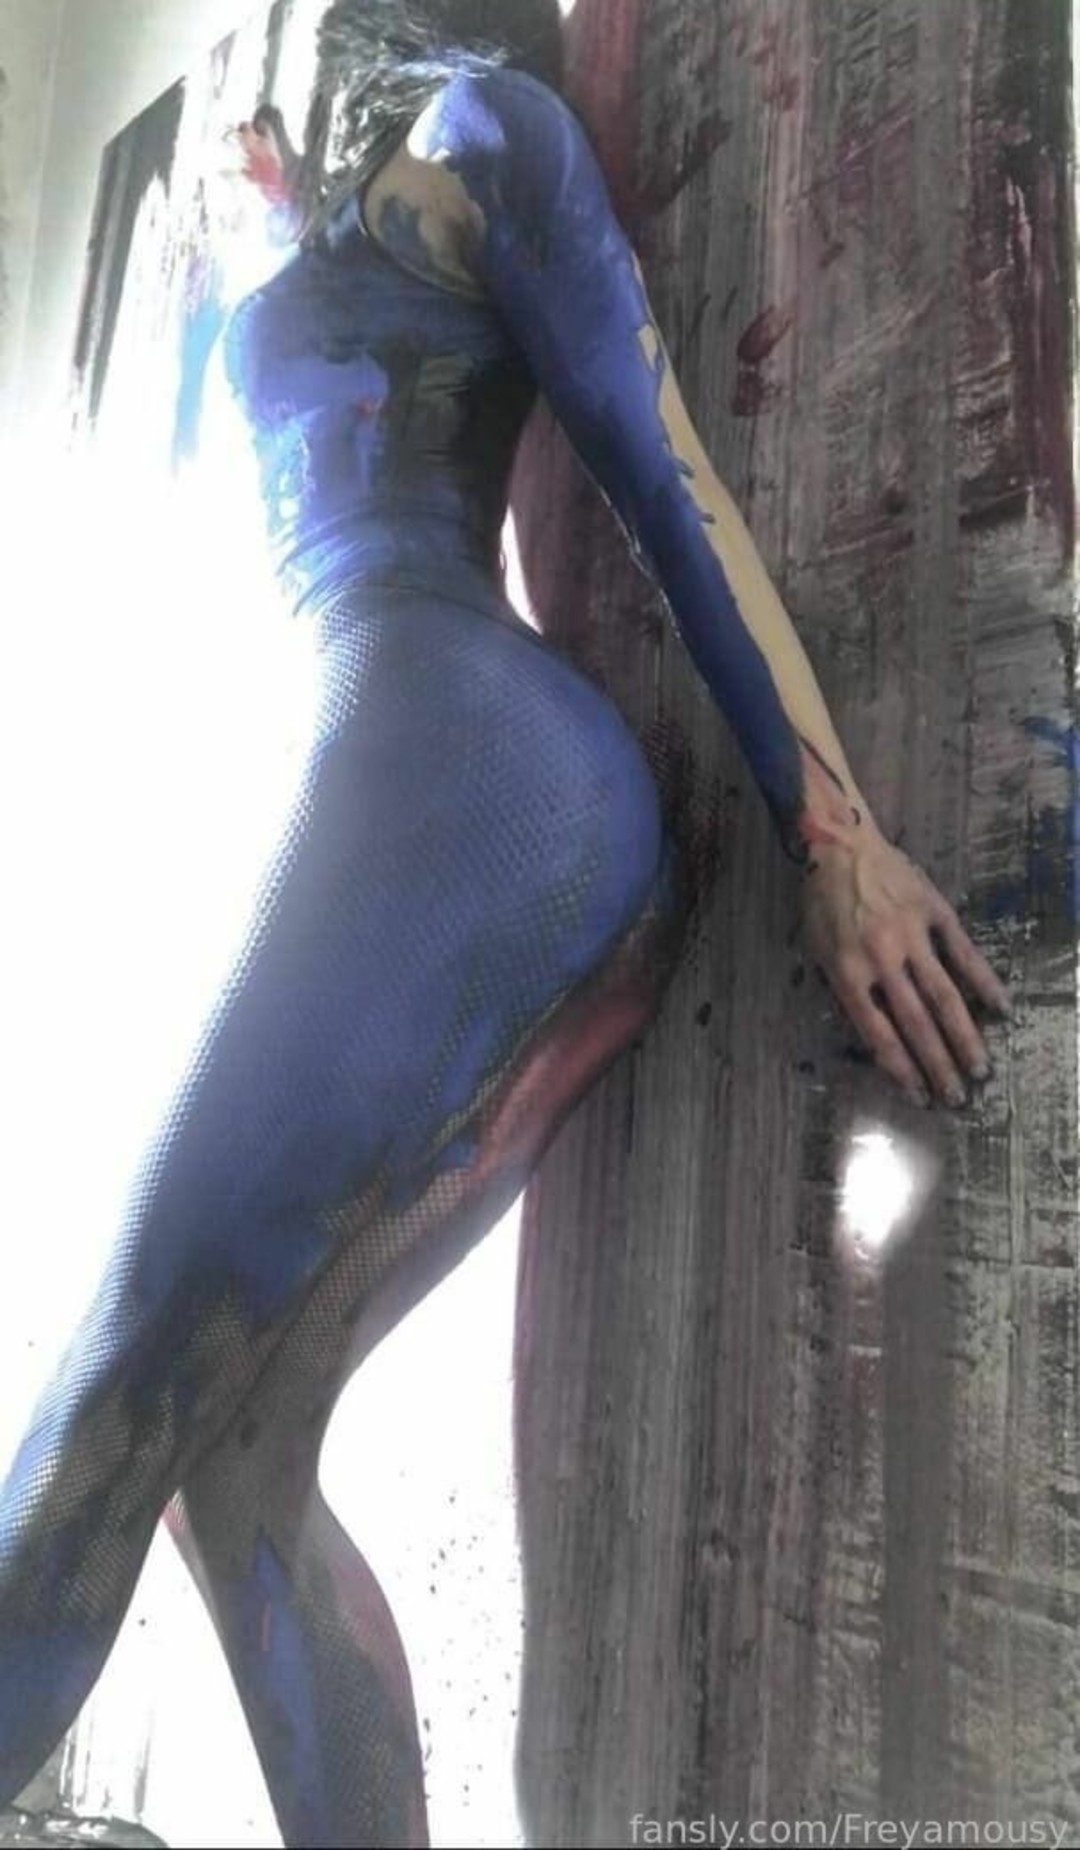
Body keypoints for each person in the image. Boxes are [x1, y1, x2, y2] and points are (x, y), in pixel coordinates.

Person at [0, 2, 1009, 1844]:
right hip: (415, 780)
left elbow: (664, 470)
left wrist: (836, 835)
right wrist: (283, 217)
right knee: (231, 1462)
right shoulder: (343, 201)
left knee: (102, 1405)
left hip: (479, 777)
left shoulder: (490, 132)